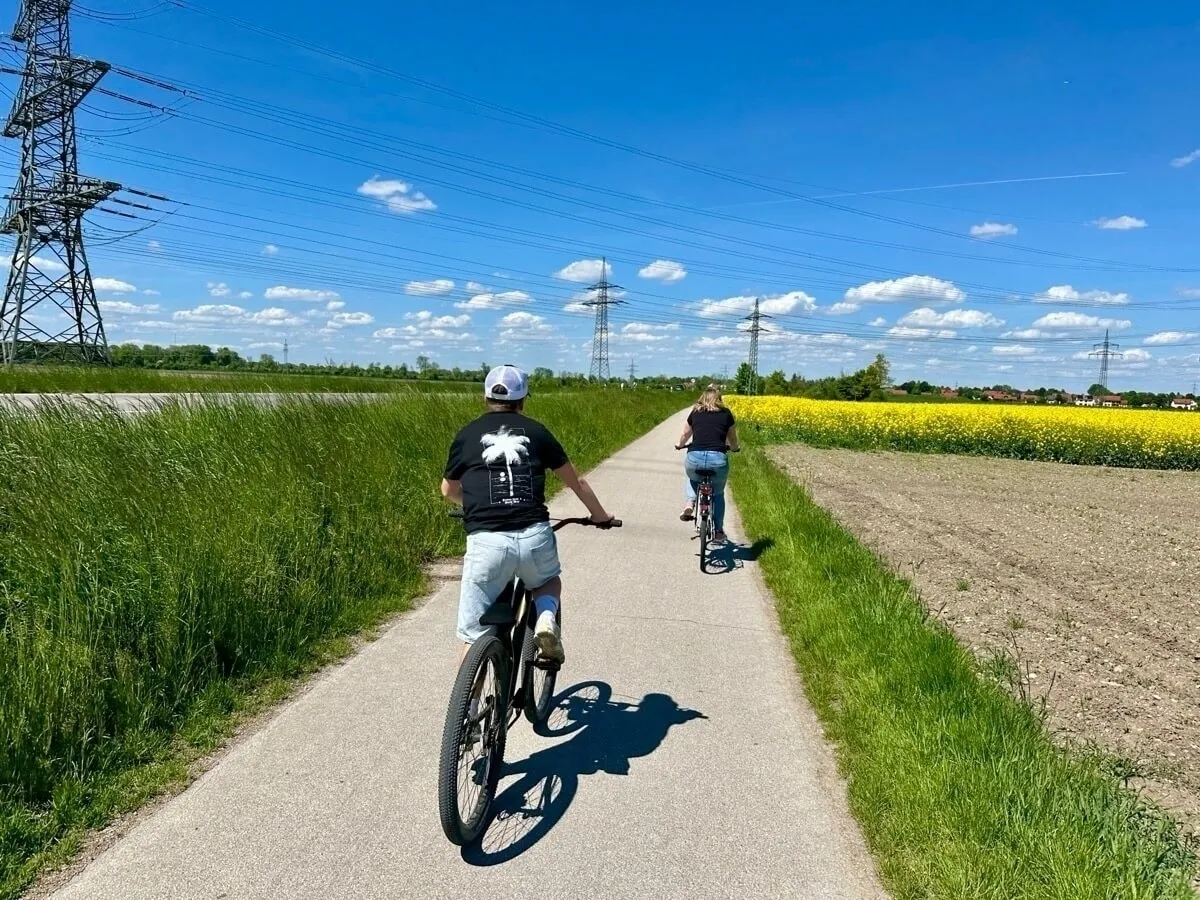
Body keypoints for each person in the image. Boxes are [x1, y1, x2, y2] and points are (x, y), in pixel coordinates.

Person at [441, 364, 614, 666]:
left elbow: (448, 490)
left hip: (487, 544)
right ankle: (546, 618)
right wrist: (600, 516)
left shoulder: (467, 434)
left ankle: (467, 707)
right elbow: (577, 483)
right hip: (534, 536)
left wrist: (472, 505)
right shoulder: (537, 432)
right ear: (522, 401)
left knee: (472, 635)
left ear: (486, 398)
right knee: (547, 580)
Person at [675, 384, 739, 543]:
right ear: (719, 399)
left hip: (695, 457)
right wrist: (735, 448)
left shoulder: (696, 412)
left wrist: (680, 445)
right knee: (717, 494)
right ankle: (718, 531)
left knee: (692, 477)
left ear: (703, 398)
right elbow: (733, 438)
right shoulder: (726, 414)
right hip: (718, 459)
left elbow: (685, 434)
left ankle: (690, 501)